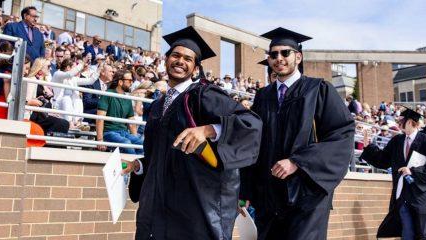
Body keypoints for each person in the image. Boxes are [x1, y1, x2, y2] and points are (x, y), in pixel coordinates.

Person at [121, 26, 262, 240]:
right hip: (157, 207)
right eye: (176, 55)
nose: (180, 61)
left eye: (188, 59)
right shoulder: (159, 105)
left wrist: (208, 130)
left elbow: (250, 122)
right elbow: (159, 156)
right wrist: (138, 165)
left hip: (193, 207)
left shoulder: (203, 95)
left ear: (195, 69)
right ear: (166, 60)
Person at [240, 27, 355, 240]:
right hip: (269, 195)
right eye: (273, 54)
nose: (279, 58)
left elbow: (342, 134)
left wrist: (297, 161)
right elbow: (253, 144)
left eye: (285, 53)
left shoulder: (319, 90)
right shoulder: (263, 96)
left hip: (307, 195)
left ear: (298, 56)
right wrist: (246, 190)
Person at [361, 108, 426, 239]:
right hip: (402, 193)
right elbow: (383, 160)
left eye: (402, 120)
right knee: (406, 231)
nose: (399, 122)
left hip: (421, 194)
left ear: (412, 122)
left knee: (424, 232)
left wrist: (413, 172)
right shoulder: (397, 141)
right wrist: (369, 147)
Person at [96, 70, 143, 155]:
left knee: (141, 144)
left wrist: (135, 137)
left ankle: (139, 167)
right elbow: (100, 118)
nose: (131, 83)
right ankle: (132, 167)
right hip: (109, 132)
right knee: (126, 143)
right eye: (129, 80)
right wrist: (100, 139)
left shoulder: (127, 98)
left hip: (124, 132)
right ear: (120, 82)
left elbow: (131, 122)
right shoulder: (108, 94)